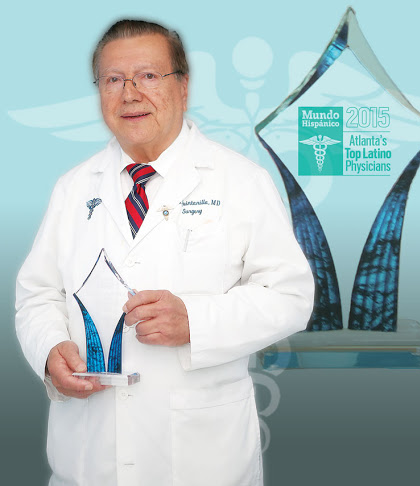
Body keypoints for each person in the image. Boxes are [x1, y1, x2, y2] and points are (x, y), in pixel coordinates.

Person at [15, 19, 314, 486]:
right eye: (114, 79)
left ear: (184, 86)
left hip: (203, 461)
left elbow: (291, 297)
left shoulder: (240, 181)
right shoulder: (73, 188)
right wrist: (50, 349)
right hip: (87, 461)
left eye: (149, 76)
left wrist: (196, 321)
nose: (130, 94)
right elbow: (38, 294)